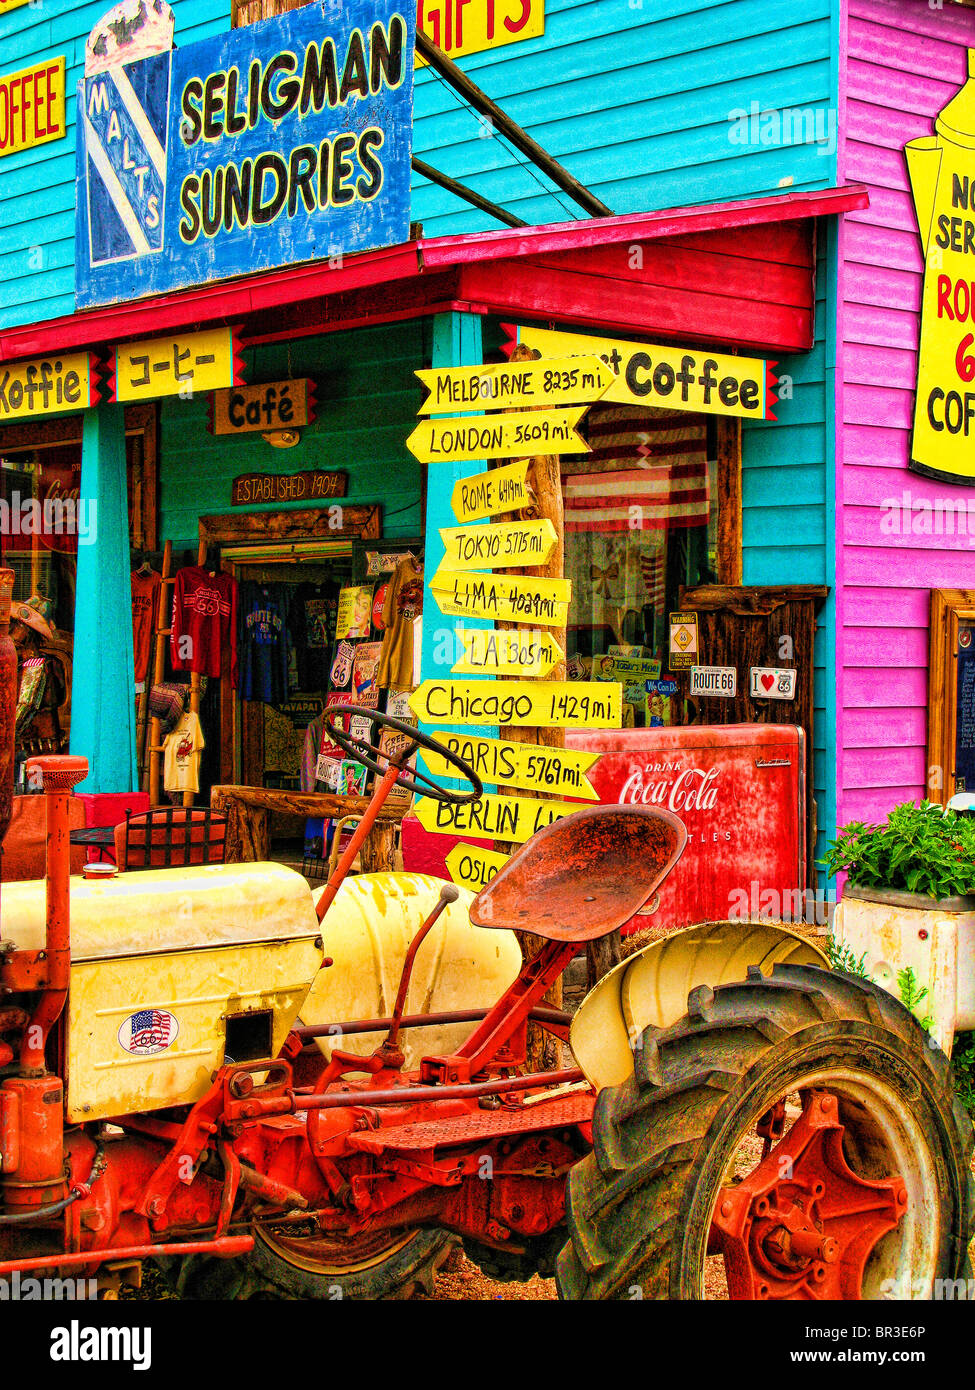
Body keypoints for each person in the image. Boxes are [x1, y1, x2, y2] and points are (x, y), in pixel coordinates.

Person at [10, 594, 65, 757]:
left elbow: (25, 705)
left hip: (36, 749)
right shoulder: (23, 662)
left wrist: (6, 734)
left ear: (27, 630)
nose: (11, 632)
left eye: (16, 626)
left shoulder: (35, 663)